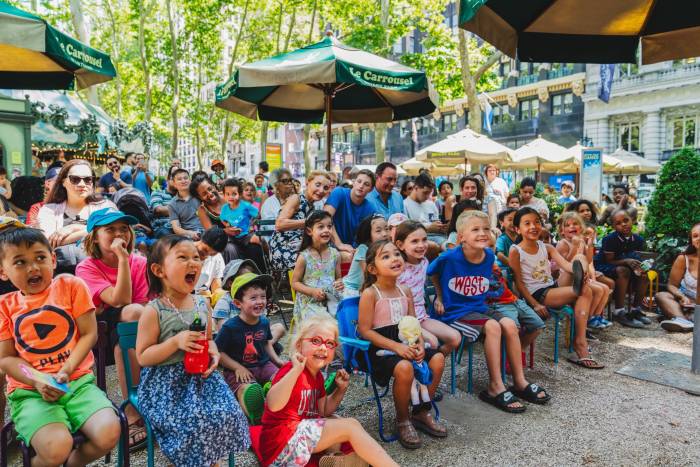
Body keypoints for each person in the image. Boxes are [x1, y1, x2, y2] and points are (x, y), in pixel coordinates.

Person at [0, 223, 121, 466]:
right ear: (3, 271)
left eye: (40, 257)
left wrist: (66, 371)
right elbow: (6, 358)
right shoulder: (4, 306)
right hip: (30, 393)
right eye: (20, 262)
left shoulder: (71, 286)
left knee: (109, 432)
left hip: (78, 383)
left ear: (53, 260)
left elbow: (89, 334)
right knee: (56, 447)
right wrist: (37, 380)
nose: (33, 267)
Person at [135, 235, 250, 466]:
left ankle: (210, 459)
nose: (193, 263)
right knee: (192, 422)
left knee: (228, 412)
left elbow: (208, 341)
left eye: (196, 258)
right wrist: (174, 342)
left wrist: (214, 352)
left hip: (201, 379)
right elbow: (143, 356)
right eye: (182, 257)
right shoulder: (153, 310)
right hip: (165, 385)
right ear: (159, 270)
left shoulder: (202, 304)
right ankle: (192, 461)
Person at [429, 210, 549, 413]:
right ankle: (495, 386)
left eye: (485, 228)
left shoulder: (488, 257)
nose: (482, 233)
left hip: (479, 309)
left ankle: (519, 381)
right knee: (493, 326)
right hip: (455, 313)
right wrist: (439, 297)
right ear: (461, 237)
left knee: (510, 325)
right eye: (475, 229)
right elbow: (431, 273)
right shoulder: (449, 257)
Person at [260, 315, 399, 467]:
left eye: (330, 343)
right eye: (316, 341)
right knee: (350, 426)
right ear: (299, 345)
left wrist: (341, 389)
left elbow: (323, 411)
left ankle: (336, 458)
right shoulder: (291, 369)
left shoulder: (318, 377)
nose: (323, 347)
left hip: (298, 439)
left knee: (336, 419)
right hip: (280, 446)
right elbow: (272, 404)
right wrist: (295, 371)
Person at [358, 240, 446, 448]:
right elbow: (365, 330)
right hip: (380, 347)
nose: (395, 259)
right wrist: (396, 347)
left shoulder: (405, 290)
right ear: (372, 268)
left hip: (406, 339)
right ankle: (403, 419)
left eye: (397, 254)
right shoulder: (371, 293)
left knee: (438, 359)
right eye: (386, 256)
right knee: (404, 367)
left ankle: (421, 411)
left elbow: (413, 324)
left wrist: (420, 344)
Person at [75, 207, 148, 450]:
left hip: (136, 330)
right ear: (95, 236)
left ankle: (140, 405)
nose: (119, 235)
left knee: (132, 324)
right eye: (110, 229)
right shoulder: (87, 267)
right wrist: (123, 260)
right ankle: (132, 410)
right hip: (99, 335)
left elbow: (141, 304)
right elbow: (121, 300)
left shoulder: (141, 263)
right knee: (129, 316)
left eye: (124, 229)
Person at [509, 207, 603, 369]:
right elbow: (518, 282)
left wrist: (582, 267)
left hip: (553, 288)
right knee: (584, 290)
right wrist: (535, 304)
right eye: (527, 223)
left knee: (580, 259)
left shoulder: (547, 247)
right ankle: (580, 342)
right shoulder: (515, 250)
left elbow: (567, 266)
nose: (533, 226)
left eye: (537, 222)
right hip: (536, 294)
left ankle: (580, 339)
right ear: (518, 229)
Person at [216, 272, 284, 424]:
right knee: (248, 391)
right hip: (240, 369)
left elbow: (266, 343)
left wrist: (278, 361)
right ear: (237, 303)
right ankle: (256, 415)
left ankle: (270, 391)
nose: (260, 301)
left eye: (263, 296)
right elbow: (218, 352)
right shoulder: (230, 327)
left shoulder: (264, 322)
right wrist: (237, 367)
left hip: (264, 365)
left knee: (282, 380)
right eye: (253, 298)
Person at [37, 159, 116, 274]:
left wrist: (74, 228)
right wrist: (96, 231)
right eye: (75, 179)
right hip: (61, 274)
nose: (82, 184)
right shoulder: (49, 210)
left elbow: (115, 234)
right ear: (63, 182)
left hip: (101, 273)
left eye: (88, 179)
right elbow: (49, 242)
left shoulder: (106, 206)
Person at [395, 221, 461, 355]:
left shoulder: (424, 261)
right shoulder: (397, 267)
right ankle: (426, 367)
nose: (421, 245)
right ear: (400, 245)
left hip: (421, 315)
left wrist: (439, 297)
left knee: (455, 338)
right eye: (414, 241)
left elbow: (434, 273)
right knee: (432, 342)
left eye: (424, 240)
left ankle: (434, 363)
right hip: (401, 320)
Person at [593, 210, 650, 328]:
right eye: (618, 223)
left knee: (644, 274)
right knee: (623, 271)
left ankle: (636, 309)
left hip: (626, 267)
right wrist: (626, 261)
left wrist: (641, 266)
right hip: (605, 266)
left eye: (626, 220)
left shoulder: (638, 239)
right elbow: (609, 260)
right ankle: (619, 311)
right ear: (614, 226)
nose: (623, 224)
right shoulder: (610, 239)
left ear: (632, 221)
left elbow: (636, 257)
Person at [556, 212, 612, 330]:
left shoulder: (581, 241)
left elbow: (589, 259)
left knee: (605, 288)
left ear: (581, 228)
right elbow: (566, 263)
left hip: (582, 278)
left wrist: (590, 244)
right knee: (597, 290)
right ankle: (587, 320)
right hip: (568, 280)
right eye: (567, 225)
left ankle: (594, 316)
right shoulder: (562, 243)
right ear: (562, 231)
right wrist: (574, 247)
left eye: (575, 224)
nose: (572, 227)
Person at [270, 170, 330, 271]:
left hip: (300, 249)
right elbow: (279, 224)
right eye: (318, 185)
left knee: (331, 256)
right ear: (307, 182)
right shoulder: (296, 198)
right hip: (284, 249)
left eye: (325, 188)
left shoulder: (313, 206)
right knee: (320, 262)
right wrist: (308, 222)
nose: (321, 190)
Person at [291, 211, 343, 322]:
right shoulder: (304, 257)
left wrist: (339, 283)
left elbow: (338, 277)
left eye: (329, 226)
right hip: (309, 303)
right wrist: (312, 292)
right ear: (309, 231)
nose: (326, 230)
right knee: (320, 322)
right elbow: (295, 283)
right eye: (321, 227)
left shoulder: (335, 255)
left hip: (331, 300)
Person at [323, 169, 377, 262]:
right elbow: (325, 218)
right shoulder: (339, 193)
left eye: (366, 184)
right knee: (348, 258)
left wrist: (358, 249)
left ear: (371, 189)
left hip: (352, 249)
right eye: (359, 181)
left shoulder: (371, 208)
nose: (361, 186)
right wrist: (339, 244)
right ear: (354, 181)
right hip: (329, 243)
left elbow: (366, 235)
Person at [656, 223, 698, 332]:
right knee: (661, 296)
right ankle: (684, 321)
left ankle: (683, 319)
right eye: (695, 236)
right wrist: (681, 296)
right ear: (692, 241)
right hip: (686, 303)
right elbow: (672, 285)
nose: (699, 238)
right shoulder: (683, 259)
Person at [343, 214, 390, 297]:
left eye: (386, 229)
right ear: (368, 234)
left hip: (369, 288)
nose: (384, 234)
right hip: (353, 290)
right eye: (378, 231)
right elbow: (368, 275)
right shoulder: (363, 249)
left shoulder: (386, 249)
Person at [403, 173, 447, 246]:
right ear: (416, 188)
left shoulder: (431, 204)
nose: (427, 196)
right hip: (418, 239)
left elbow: (436, 222)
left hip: (438, 237)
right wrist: (428, 228)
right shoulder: (405, 205)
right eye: (425, 193)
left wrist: (441, 227)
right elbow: (406, 230)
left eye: (429, 193)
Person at [220, 178, 259, 244]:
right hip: (231, 236)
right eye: (228, 194)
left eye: (234, 194)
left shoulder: (246, 205)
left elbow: (258, 215)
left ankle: (268, 253)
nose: (231, 197)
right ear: (224, 195)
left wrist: (251, 224)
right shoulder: (224, 208)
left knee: (258, 239)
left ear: (240, 194)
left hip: (246, 235)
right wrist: (227, 225)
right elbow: (222, 218)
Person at [168, 168, 203, 240]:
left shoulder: (200, 195)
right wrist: (190, 233)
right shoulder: (172, 204)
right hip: (189, 236)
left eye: (186, 178)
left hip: (207, 231)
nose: (183, 181)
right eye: (179, 179)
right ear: (174, 184)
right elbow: (176, 228)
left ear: (190, 181)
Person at [193, 227, 228, 295]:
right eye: (205, 250)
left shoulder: (217, 258)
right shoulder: (185, 251)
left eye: (212, 254)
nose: (206, 256)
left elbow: (216, 286)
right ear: (202, 239)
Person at [149, 170, 176, 238]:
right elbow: (159, 210)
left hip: (180, 227)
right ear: (168, 179)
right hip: (162, 227)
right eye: (174, 179)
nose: (176, 181)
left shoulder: (183, 195)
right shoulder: (158, 193)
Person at [495, 208, 518, 280]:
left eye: (516, 219)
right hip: (504, 268)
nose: (514, 222)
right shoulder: (502, 239)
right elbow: (499, 254)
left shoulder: (521, 238)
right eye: (510, 220)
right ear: (502, 223)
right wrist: (512, 265)